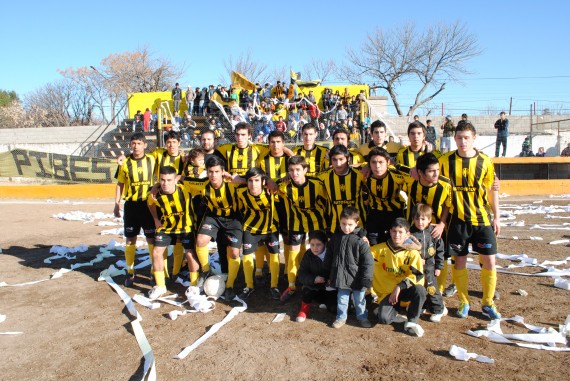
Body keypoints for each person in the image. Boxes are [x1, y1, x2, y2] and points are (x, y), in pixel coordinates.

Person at [439, 122, 501, 320]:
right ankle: (464, 301)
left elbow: (492, 190)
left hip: (482, 220)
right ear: (454, 138)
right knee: (460, 262)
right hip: (457, 221)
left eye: (466, 137)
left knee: (489, 262)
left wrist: (497, 216)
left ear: (475, 138)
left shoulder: (485, 161)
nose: (462, 141)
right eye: (459, 137)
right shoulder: (445, 160)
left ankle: (488, 303)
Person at [184, 156, 243, 301]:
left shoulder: (232, 184)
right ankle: (205, 271)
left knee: (234, 253)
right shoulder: (203, 184)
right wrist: (156, 186)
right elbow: (181, 178)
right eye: (210, 171)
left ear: (223, 171)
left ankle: (229, 285)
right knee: (201, 240)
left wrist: (238, 179)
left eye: (217, 171)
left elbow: (254, 182)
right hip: (214, 217)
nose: (213, 175)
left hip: (233, 219)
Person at [278, 156, 331, 302]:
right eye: (291, 170)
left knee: (321, 253)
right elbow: (269, 185)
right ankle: (291, 286)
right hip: (296, 224)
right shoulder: (284, 187)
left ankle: (325, 281)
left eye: (298, 170)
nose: (294, 173)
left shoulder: (317, 184)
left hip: (317, 222)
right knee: (293, 255)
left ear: (305, 170)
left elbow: (328, 201)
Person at [146, 166, 200, 299]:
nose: (165, 183)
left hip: (185, 227)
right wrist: (156, 219)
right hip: (166, 228)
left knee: (189, 253)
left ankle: (194, 285)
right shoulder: (154, 194)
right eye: (162, 180)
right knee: (156, 252)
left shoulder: (185, 189)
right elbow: (150, 204)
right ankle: (160, 286)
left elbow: (202, 185)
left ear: (175, 180)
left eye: (169, 180)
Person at [370, 218, 426, 337]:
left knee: (420, 290)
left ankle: (412, 321)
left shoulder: (413, 253)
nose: (397, 235)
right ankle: (394, 311)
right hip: (387, 293)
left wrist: (399, 286)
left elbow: (417, 275)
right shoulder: (378, 250)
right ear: (390, 232)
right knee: (384, 319)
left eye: (401, 232)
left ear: (408, 234)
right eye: (394, 231)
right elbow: (363, 258)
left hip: (404, 289)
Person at [113, 133, 156, 286]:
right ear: (130, 145)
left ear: (145, 145)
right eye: (133, 143)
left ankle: (154, 271)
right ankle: (130, 272)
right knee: (131, 238)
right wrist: (116, 203)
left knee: (151, 239)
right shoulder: (124, 163)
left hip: (147, 205)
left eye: (139, 143)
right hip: (131, 205)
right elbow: (120, 184)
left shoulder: (152, 159)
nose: (136, 146)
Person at [323, 206, 374, 329]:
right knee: (342, 299)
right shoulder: (335, 238)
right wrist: (326, 272)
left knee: (360, 300)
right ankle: (341, 318)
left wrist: (366, 279)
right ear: (339, 222)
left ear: (356, 223)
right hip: (341, 277)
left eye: (350, 224)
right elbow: (329, 256)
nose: (346, 227)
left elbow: (368, 262)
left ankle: (362, 317)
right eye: (343, 224)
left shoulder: (361, 241)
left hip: (357, 278)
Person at [235, 168, 280, 300]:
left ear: (262, 182)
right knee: (247, 255)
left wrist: (270, 181)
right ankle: (248, 286)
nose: (253, 184)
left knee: (274, 255)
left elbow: (281, 185)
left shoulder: (271, 191)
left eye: (256, 180)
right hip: (251, 228)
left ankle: (274, 286)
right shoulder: (240, 192)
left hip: (271, 227)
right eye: (250, 181)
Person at [410, 203, 447, 322]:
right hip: (416, 267)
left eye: (423, 219)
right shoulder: (410, 234)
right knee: (419, 287)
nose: (420, 222)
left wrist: (439, 267)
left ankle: (439, 309)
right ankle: (421, 307)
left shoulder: (434, 233)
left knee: (432, 288)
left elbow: (440, 251)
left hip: (430, 267)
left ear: (429, 219)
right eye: (417, 219)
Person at [319, 144, 366, 235]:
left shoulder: (359, 175)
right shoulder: (324, 176)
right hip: (335, 225)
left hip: (357, 225)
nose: (338, 163)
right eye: (334, 160)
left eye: (341, 159)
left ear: (348, 159)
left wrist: (365, 165)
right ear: (330, 160)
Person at [365, 148, 408, 245]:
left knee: (394, 244)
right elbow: (347, 167)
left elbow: (412, 172)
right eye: (373, 162)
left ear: (388, 162)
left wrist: (396, 164)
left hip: (395, 213)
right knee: (373, 244)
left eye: (381, 162)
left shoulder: (396, 175)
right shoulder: (364, 174)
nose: (377, 166)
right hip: (374, 213)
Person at [296, 230, 337, 322]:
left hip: (331, 287)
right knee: (307, 290)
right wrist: (314, 279)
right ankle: (304, 310)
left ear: (325, 244)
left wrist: (331, 280)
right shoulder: (308, 255)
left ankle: (327, 302)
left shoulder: (332, 254)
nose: (315, 248)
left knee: (333, 309)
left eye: (318, 244)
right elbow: (301, 274)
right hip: (315, 286)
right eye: (312, 245)